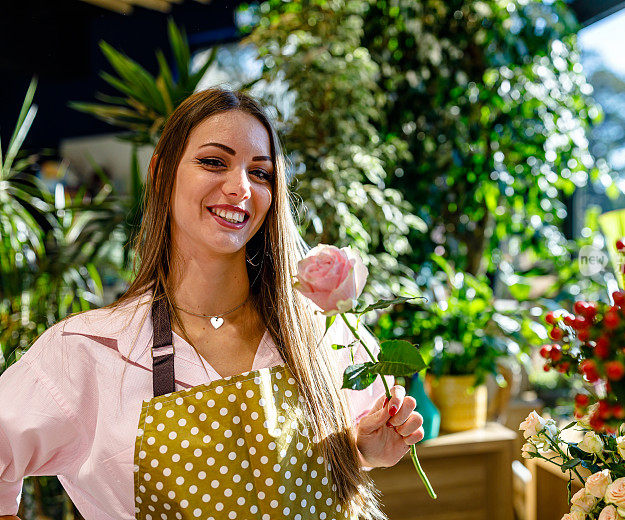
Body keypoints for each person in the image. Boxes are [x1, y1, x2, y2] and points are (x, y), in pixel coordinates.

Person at [0, 88, 424, 520]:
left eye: (260, 173)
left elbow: (354, 454)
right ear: (162, 173)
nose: (240, 187)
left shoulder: (320, 330)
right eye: (213, 162)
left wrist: (364, 448)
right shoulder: (89, 350)